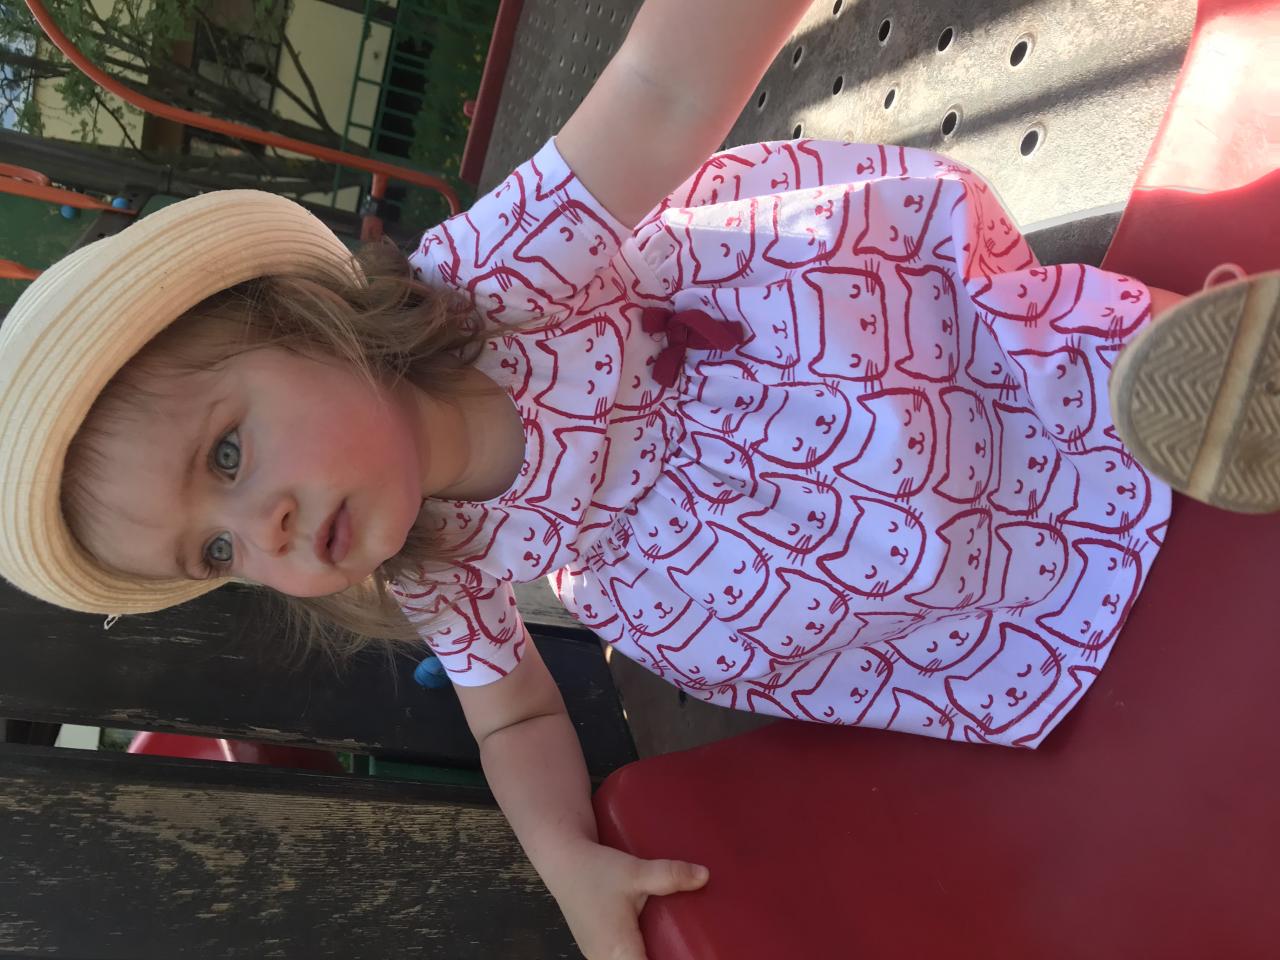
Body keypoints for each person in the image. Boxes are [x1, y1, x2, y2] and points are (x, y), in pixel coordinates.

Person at [0, 1, 1276, 957]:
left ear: (305, 322)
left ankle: (1181, 379)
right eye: (217, 552)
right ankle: (1063, 552)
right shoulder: (434, 559)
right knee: (898, 590)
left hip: (825, 370)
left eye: (227, 453)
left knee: (982, 364)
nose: (263, 526)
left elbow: (658, 92)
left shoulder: (488, 282)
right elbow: (512, 720)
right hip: (806, 566)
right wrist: (565, 860)